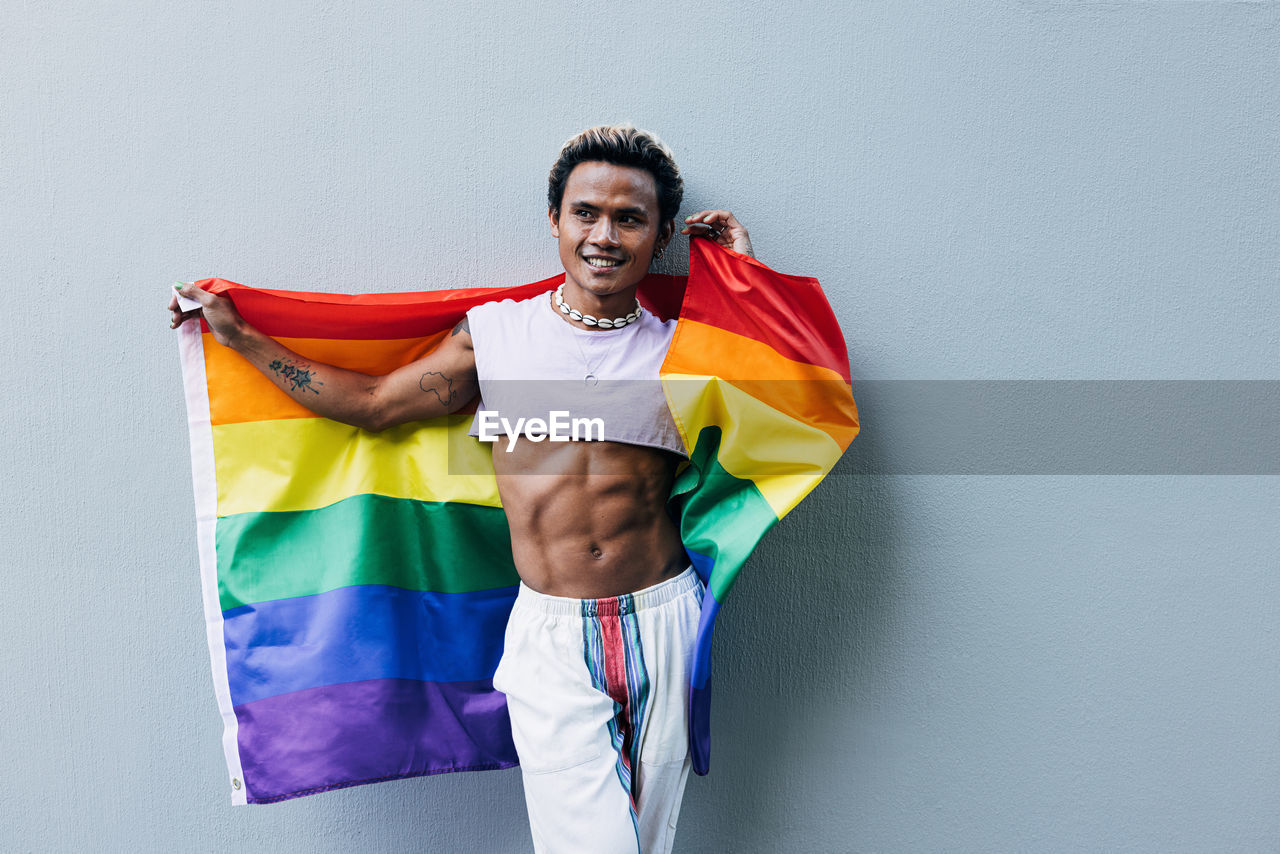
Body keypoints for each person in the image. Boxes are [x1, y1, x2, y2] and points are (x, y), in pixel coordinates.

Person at [170, 124, 754, 854]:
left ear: (661, 232)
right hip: (553, 636)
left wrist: (744, 284)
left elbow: (780, 414)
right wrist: (243, 339)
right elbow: (375, 406)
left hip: (665, 618)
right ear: (556, 220)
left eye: (629, 219)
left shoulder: (685, 347)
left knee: (649, 842)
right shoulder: (496, 339)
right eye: (586, 213)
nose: (604, 235)